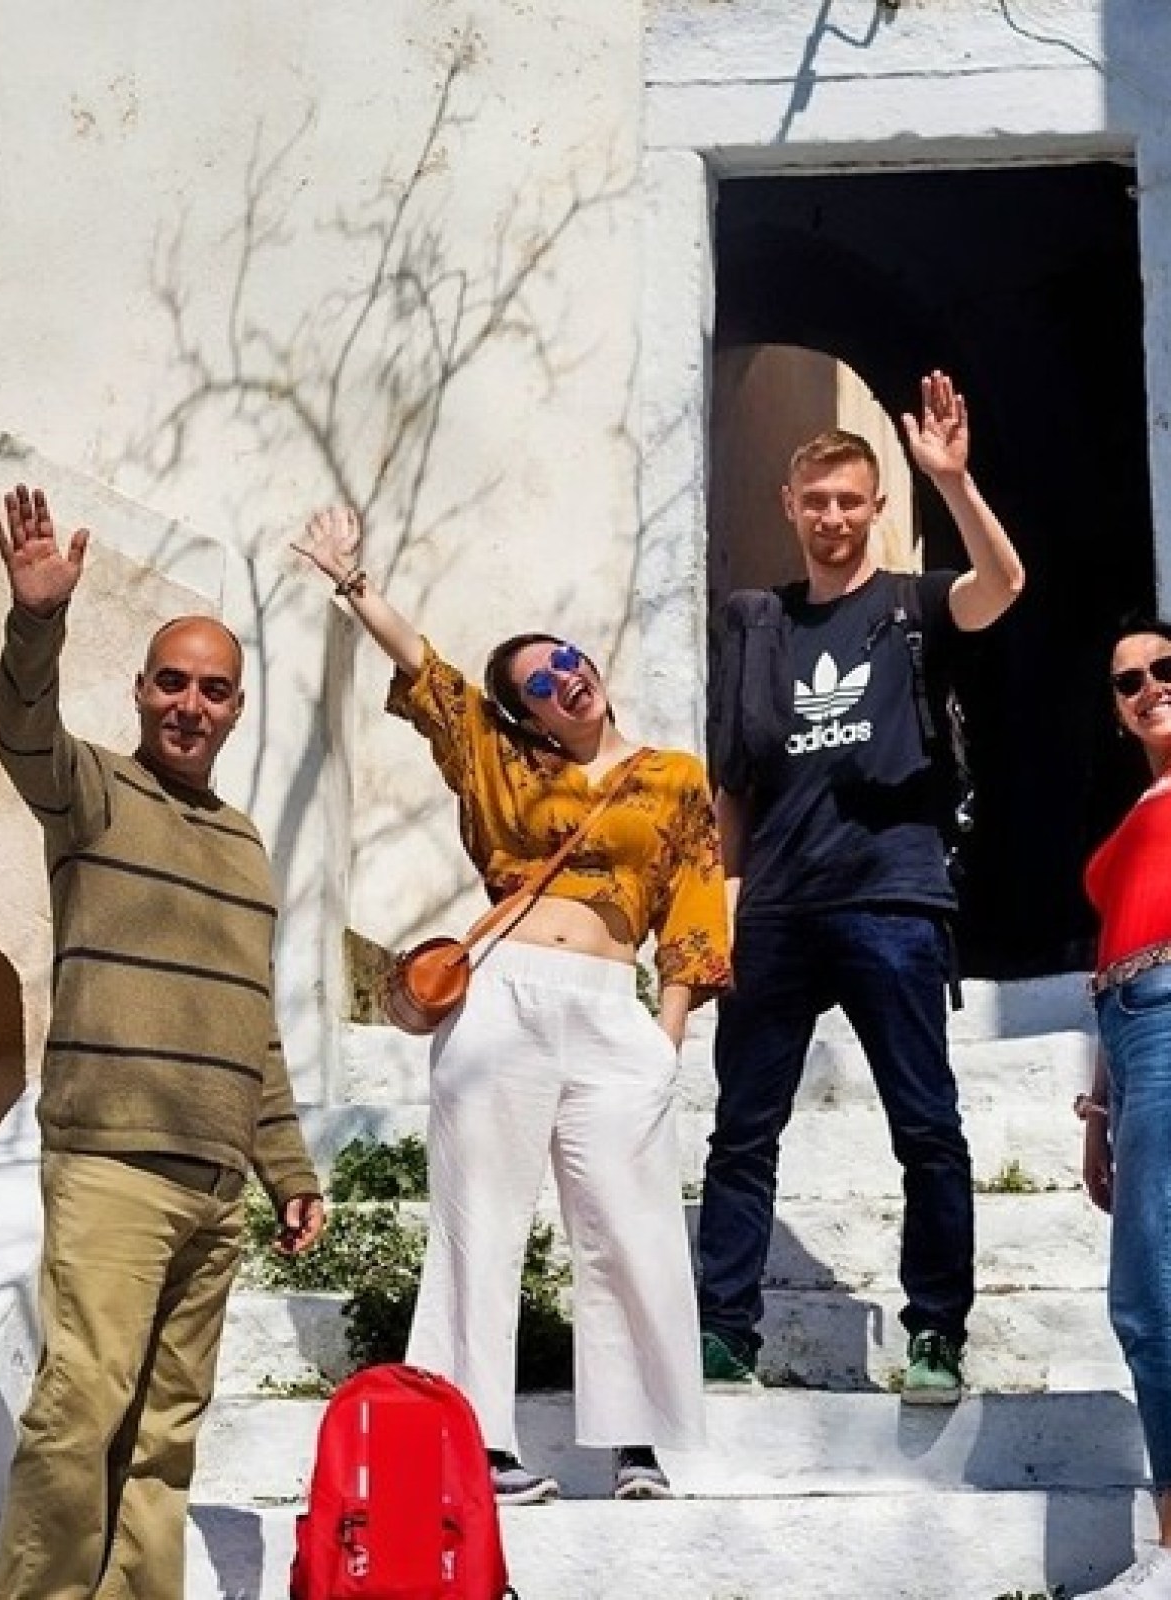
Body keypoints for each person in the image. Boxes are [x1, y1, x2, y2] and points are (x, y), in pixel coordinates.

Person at [293, 506, 731, 1503]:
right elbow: (434, 678)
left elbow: (697, 903)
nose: (564, 678)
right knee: (478, 1221)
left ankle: (636, 1443)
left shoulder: (674, 778)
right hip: (506, 1006)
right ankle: (474, 1443)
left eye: (567, 659)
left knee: (631, 1225)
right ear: (527, 715)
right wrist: (356, 582)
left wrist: (666, 1034)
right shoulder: (503, 765)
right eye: (539, 682)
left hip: (614, 1015)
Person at [0, 484, 325, 1600]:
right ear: (140, 690)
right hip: (112, 1164)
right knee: (82, 1405)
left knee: (164, 1434)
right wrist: (38, 619)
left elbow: (253, 1020)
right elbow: (21, 733)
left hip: (217, 1184)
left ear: (237, 709)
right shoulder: (92, 793)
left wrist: (286, 1167)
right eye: (171, 681)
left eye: (213, 689)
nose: (190, 703)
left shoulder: (246, 846)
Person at [698, 371, 1025, 1403]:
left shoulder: (913, 605)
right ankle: (723, 1331)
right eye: (818, 501)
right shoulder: (759, 626)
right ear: (791, 509)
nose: (834, 517)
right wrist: (725, 900)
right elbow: (733, 783)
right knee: (741, 1128)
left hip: (892, 898)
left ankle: (935, 1331)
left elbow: (1004, 584)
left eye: (853, 500)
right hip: (782, 908)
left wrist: (957, 483)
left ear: (877, 508)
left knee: (925, 1124)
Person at [1076, 616, 1171, 1598]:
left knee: (1155, 1298)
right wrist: (1101, 1112)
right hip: (1131, 1041)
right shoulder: (1138, 812)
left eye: (1164, 667)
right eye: (1127, 681)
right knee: (1146, 1301)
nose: (1148, 686)